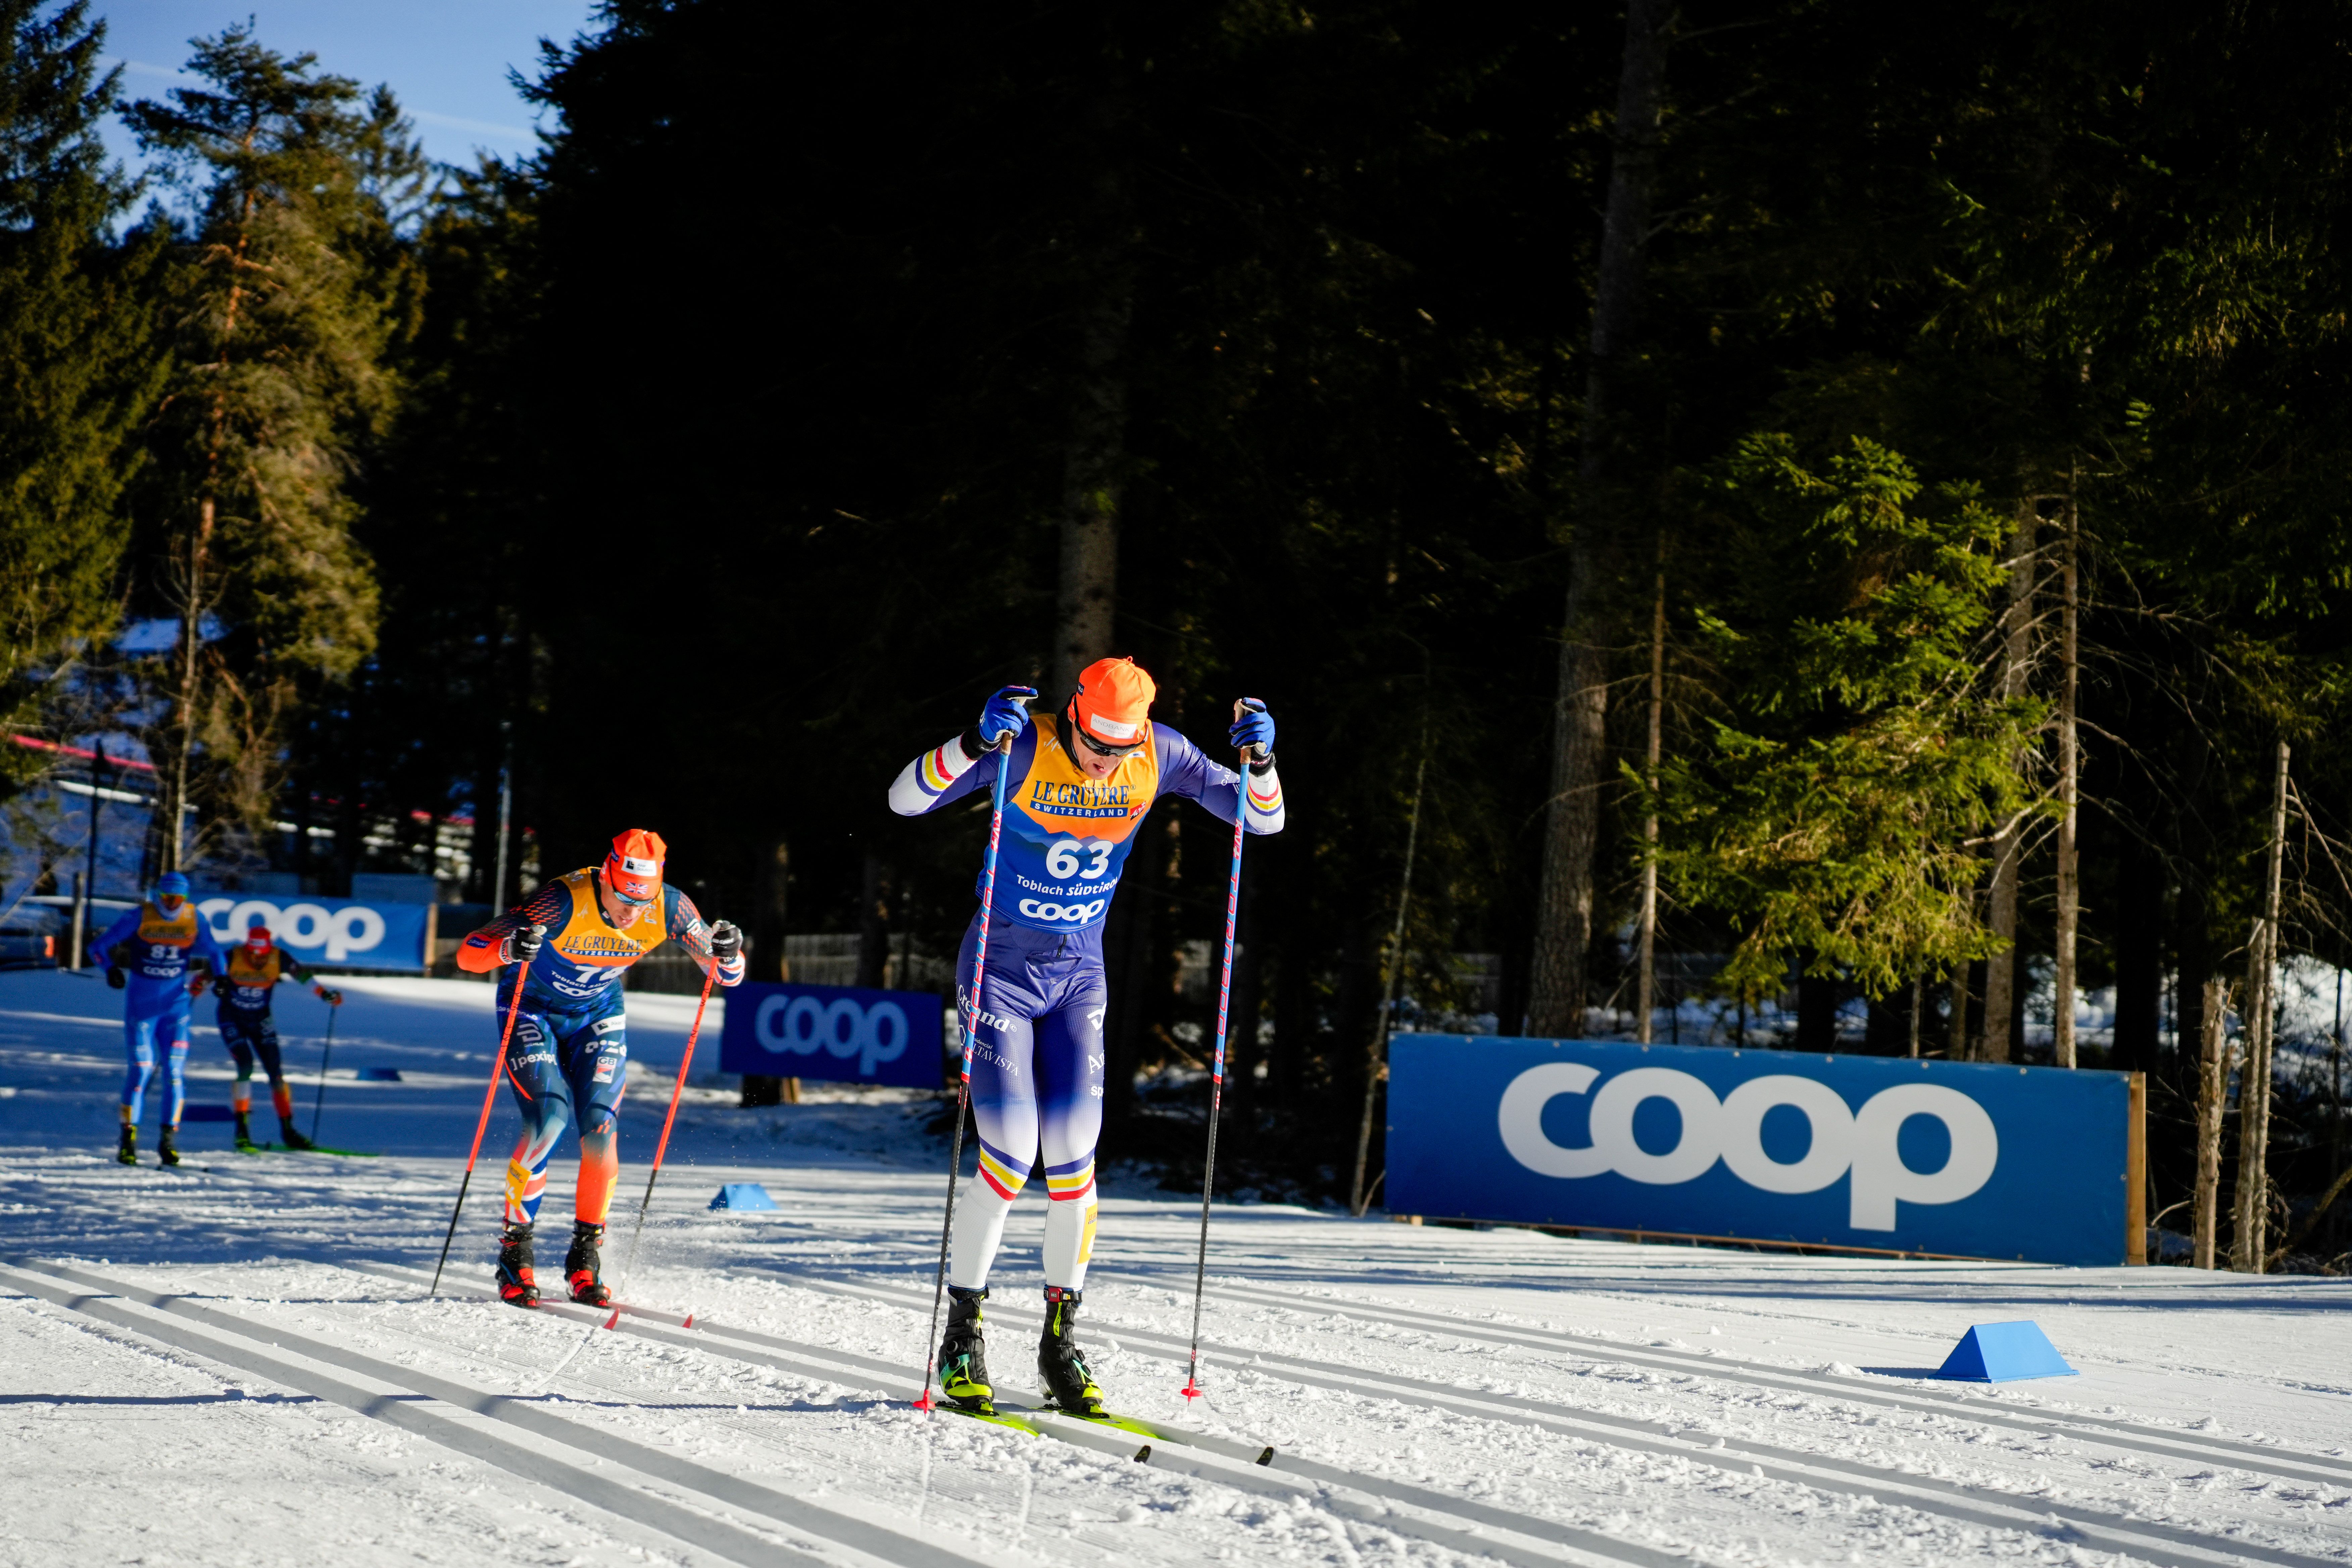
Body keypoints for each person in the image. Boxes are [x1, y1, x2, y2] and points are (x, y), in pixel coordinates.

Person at [888, 656, 1284, 1417]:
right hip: (1000, 970)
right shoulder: (1025, 747)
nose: (1105, 760)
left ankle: (1059, 1342)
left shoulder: (1160, 753)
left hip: (1077, 975)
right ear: (1072, 716)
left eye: (1119, 747)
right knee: (1011, 1156)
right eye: (1094, 744)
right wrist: (973, 743)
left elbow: (1262, 820)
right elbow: (904, 800)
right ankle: (963, 1334)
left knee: (1074, 1161)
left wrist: (1260, 763)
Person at [456, 829, 745, 1308]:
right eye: (625, 899)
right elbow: (470, 954)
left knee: (600, 1129)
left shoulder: (671, 908)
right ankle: (516, 1253)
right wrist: (509, 950)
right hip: (532, 1010)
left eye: (642, 901)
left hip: (597, 1015)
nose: (632, 913)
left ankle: (585, 1257)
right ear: (606, 878)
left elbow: (724, 975)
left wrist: (729, 952)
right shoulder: (561, 901)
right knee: (549, 1120)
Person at [92, 871, 227, 1168]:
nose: (172, 904)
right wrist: (111, 970)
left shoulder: (194, 917)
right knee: (141, 1070)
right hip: (142, 1006)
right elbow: (97, 948)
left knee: (174, 1074)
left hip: (175, 1008)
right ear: (157, 896)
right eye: (166, 898)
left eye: (178, 898)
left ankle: (168, 1141)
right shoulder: (140, 916)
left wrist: (222, 978)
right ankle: (128, 1140)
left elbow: (215, 951)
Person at [215, 918, 343, 1151]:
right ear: (247, 949)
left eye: (263, 955)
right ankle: (242, 1131)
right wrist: (203, 986)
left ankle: (288, 1130)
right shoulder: (232, 956)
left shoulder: (279, 957)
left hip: (260, 1019)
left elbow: (303, 976)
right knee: (245, 1066)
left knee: (276, 1073)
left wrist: (325, 994)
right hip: (232, 1018)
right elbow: (206, 975)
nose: (258, 960)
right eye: (254, 955)